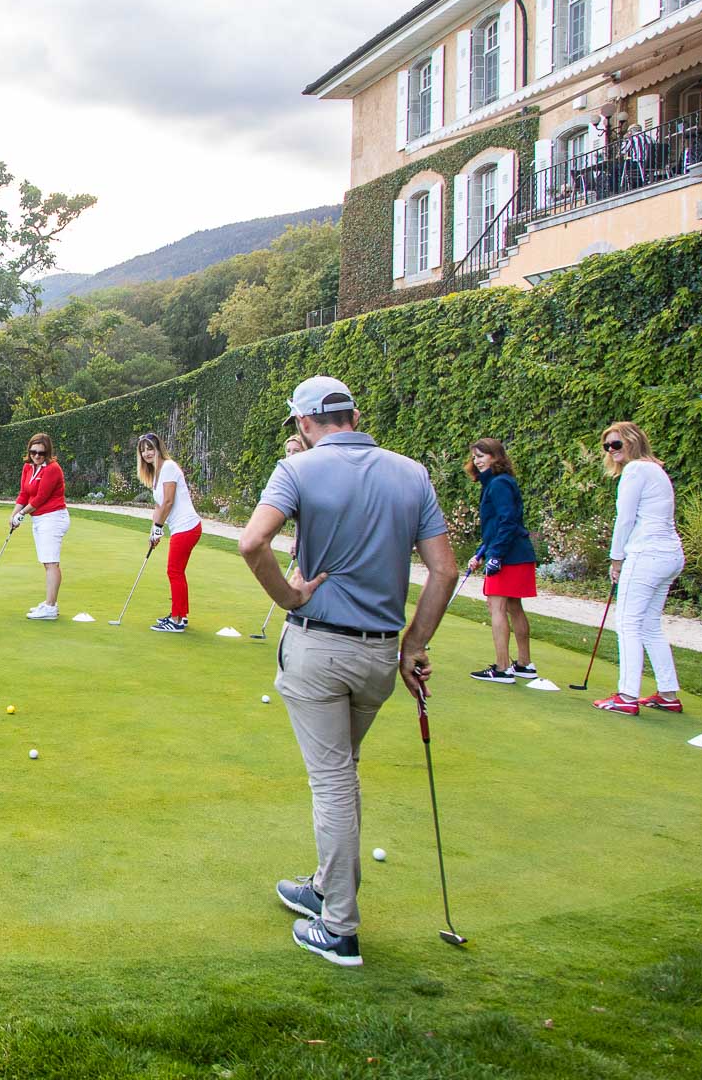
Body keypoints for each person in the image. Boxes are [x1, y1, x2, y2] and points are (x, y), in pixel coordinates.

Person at [237, 376, 456, 967]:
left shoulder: (298, 470)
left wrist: (288, 597)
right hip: (381, 654)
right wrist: (415, 643)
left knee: (332, 781)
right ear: (354, 415)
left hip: (318, 648)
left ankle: (339, 927)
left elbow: (253, 542)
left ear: (304, 424)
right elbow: (444, 571)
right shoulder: (410, 473)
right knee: (344, 772)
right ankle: (325, 887)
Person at [594, 422, 686, 716]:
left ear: (633, 442)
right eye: (608, 446)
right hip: (669, 554)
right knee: (648, 624)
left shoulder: (635, 471)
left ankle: (626, 696)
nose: (612, 450)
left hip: (647, 555)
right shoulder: (655, 469)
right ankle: (668, 694)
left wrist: (616, 558)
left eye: (617, 444)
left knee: (628, 623)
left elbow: (625, 519)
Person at [464, 438, 538, 684]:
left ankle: (503, 668)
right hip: (514, 553)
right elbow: (496, 526)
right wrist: (481, 552)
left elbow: (508, 521)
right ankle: (524, 664)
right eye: (475, 457)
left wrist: (495, 555)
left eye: (482, 455)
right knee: (513, 607)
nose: (478, 461)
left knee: (496, 606)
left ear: (496, 457)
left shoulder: (498, 484)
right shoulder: (496, 483)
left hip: (510, 555)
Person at [138, 432, 203, 633]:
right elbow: (159, 506)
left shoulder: (168, 467)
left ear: (158, 448)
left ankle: (176, 620)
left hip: (186, 526)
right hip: (182, 527)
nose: (147, 453)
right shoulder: (156, 473)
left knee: (174, 571)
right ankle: (180, 616)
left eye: (150, 448)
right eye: (143, 450)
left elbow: (168, 501)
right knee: (177, 571)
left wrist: (159, 528)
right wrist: (154, 531)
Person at [10, 432, 68, 620]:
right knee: (47, 562)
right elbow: (23, 495)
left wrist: (21, 514)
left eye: (41, 453)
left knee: (51, 562)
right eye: (33, 452)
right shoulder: (28, 468)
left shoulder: (53, 469)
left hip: (53, 517)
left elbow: (40, 498)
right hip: (40, 519)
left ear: (47, 453)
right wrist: (14, 515)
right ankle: (49, 603)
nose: (36, 456)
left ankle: (50, 607)